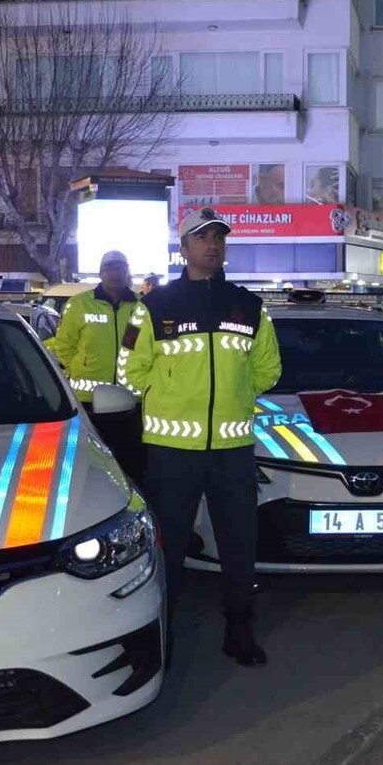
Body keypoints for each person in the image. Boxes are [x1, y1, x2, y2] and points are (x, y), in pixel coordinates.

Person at [119, 207, 282, 668]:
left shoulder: (249, 306)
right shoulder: (153, 306)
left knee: (239, 544)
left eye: (219, 238)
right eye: (202, 237)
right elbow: (129, 370)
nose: (213, 245)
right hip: (172, 452)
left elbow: (269, 368)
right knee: (169, 546)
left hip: (231, 449)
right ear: (184, 247)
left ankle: (239, 630)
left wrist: (233, 393)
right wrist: (173, 393)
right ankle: (161, 634)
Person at [54, 250, 144, 483]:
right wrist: (78, 368)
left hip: (131, 404)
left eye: (120, 268)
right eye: (109, 268)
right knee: (89, 468)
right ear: (101, 273)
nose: (115, 273)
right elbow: (64, 347)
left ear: (127, 271)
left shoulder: (142, 308)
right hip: (88, 402)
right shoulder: (80, 304)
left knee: (131, 467)